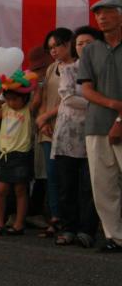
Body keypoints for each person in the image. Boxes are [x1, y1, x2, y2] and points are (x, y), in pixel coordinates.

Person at [77, 0, 122, 252]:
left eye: (107, 13)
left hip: (118, 123)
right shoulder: (91, 50)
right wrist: (115, 105)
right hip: (96, 125)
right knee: (103, 185)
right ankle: (114, 237)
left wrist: (120, 119)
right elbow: (86, 89)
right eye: (98, 15)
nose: (101, 18)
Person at [52, 27, 101, 247]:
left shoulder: (104, 70)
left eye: (88, 43)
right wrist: (102, 104)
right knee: (67, 186)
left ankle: (88, 230)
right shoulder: (68, 70)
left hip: (94, 133)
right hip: (67, 136)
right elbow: (69, 98)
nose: (83, 47)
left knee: (90, 186)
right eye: (79, 43)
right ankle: (68, 228)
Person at [34, 28, 75, 237]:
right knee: (51, 177)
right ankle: (55, 218)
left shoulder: (78, 67)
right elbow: (43, 97)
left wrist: (45, 116)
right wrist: (43, 121)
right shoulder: (51, 68)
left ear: (69, 44)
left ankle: (70, 221)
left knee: (68, 177)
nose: (53, 51)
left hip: (70, 129)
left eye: (57, 45)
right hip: (48, 130)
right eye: (50, 47)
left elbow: (72, 99)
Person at [0, 86, 34, 235]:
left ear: (24, 98)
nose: (11, 102)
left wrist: (36, 87)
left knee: (20, 189)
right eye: (8, 99)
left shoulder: (28, 109)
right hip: (4, 152)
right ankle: (0, 223)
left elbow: (37, 98)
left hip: (20, 153)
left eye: (15, 99)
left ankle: (19, 224)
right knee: (1, 189)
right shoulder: (6, 107)